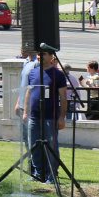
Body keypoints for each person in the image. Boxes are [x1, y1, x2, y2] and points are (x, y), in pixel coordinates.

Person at [23, 48, 68, 184]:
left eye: (43, 54)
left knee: (51, 146)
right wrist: (26, 112)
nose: (39, 56)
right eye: (38, 54)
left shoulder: (58, 75)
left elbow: (63, 97)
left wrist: (61, 117)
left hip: (50, 116)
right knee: (34, 145)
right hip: (34, 116)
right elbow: (28, 94)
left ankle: (51, 175)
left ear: (51, 57)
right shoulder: (33, 72)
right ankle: (38, 173)